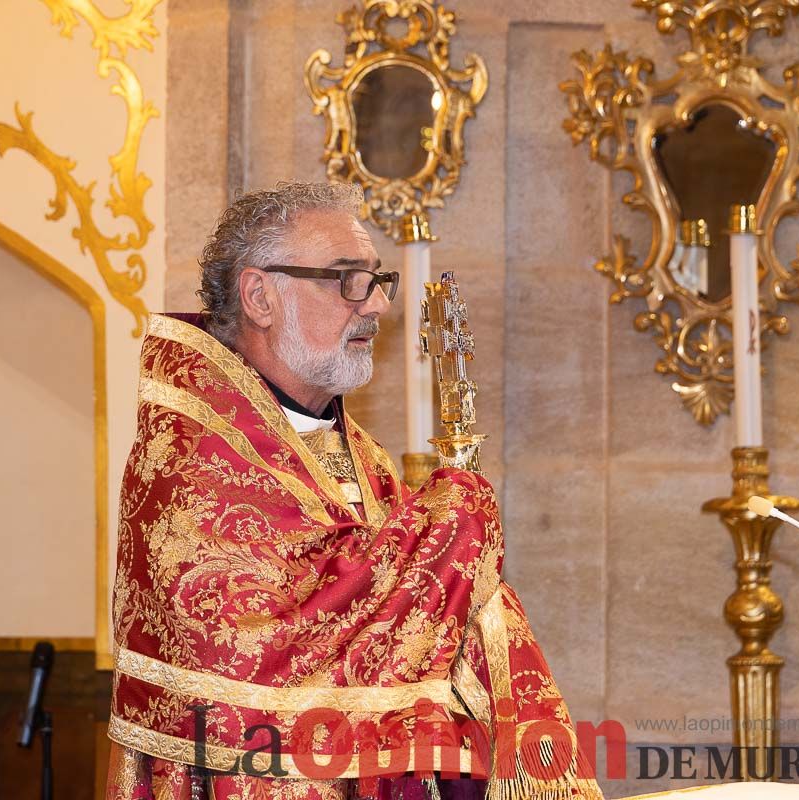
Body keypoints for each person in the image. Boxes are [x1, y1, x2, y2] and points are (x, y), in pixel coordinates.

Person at [105, 183, 602, 800]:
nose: (375, 307)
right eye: (345, 279)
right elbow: (251, 653)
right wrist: (449, 532)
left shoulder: (361, 457)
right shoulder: (184, 459)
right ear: (260, 295)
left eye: (376, 279)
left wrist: (444, 554)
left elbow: (413, 628)